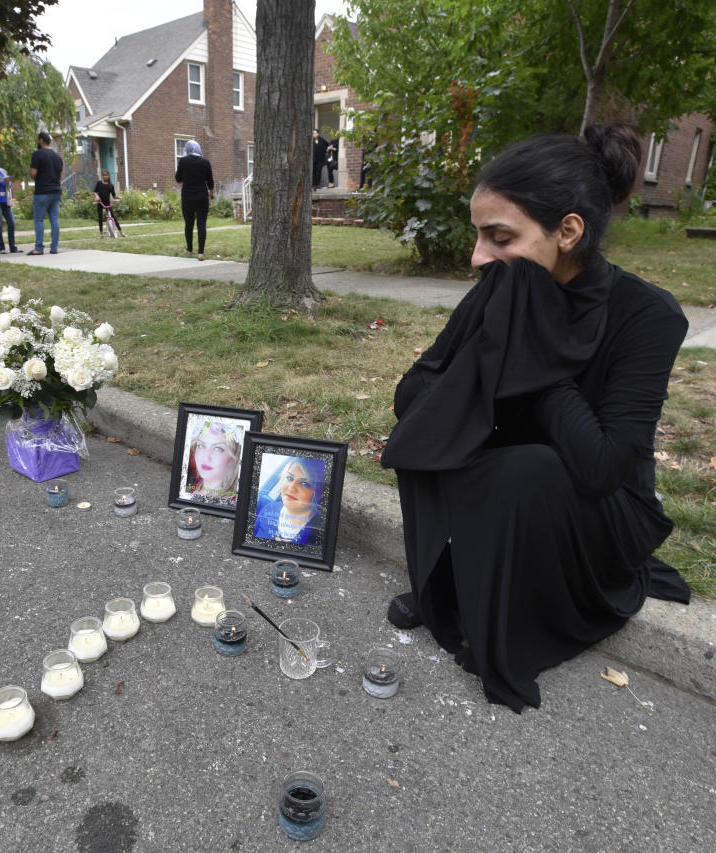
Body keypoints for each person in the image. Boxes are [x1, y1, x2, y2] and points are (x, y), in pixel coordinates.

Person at [379, 123, 690, 714]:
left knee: (521, 470)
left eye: (499, 236)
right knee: (426, 439)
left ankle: (507, 615)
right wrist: (473, 374)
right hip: (521, 465)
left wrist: (532, 362)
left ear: (567, 231)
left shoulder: (648, 315)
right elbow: (413, 395)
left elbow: (604, 467)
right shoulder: (507, 284)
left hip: (604, 505)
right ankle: (448, 588)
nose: (478, 257)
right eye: (479, 235)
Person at [253, 456, 326, 546]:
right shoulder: (268, 509)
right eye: (290, 478)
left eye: (304, 484)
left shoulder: (320, 529)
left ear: (317, 493)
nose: (291, 488)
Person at [184, 421, 244, 506]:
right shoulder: (198, 484)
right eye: (201, 446)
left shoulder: (232, 503)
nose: (206, 458)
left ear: (233, 457)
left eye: (218, 449)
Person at [174, 140, 214, 260]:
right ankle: (201, 253)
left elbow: (178, 179)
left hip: (187, 197)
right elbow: (210, 182)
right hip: (202, 196)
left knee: (189, 224)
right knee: (201, 224)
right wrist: (211, 194)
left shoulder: (183, 161)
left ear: (187, 150)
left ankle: (189, 250)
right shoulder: (206, 162)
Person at [29, 131, 64, 255]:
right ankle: (54, 248)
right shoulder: (58, 157)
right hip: (56, 191)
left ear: (41, 140)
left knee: (39, 219)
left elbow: (33, 173)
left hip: (42, 191)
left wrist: (37, 178)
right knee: (54, 219)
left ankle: (39, 248)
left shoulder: (37, 154)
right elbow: (60, 176)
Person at [92, 170, 123, 238]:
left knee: (113, 217)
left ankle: (121, 232)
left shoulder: (111, 185)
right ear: (102, 176)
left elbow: (114, 195)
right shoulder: (99, 183)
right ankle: (101, 234)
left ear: (108, 176)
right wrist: (97, 196)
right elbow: (95, 191)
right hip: (100, 202)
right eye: (103, 175)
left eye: (106, 175)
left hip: (107, 203)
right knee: (100, 218)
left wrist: (119, 197)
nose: (105, 176)